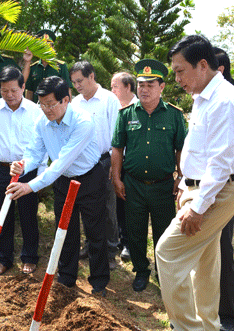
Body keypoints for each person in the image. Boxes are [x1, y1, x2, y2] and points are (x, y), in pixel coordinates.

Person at [156, 35, 234, 330]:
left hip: (213, 192)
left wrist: (202, 204)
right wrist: (186, 188)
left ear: (202, 65)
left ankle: (186, 327)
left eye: (180, 71)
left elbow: (221, 162)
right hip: (202, 189)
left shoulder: (225, 101)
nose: (177, 78)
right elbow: (201, 152)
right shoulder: (205, 97)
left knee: (166, 252)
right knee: (206, 265)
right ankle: (208, 325)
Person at [6, 76, 109, 296]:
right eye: (42, 104)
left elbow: (60, 163)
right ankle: (67, 277)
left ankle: (99, 281)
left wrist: (29, 187)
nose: (46, 110)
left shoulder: (83, 122)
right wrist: (23, 166)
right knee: (64, 230)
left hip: (89, 179)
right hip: (63, 182)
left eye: (51, 104)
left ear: (66, 100)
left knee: (95, 231)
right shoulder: (42, 121)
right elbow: (35, 153)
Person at [111, 59, 187, 292]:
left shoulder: (174, 115)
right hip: (133, 184)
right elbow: (117, 148)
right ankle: (141, 271)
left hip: (163, 185)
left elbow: (181, 149)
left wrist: (181, 177)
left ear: (161, 87)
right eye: (141, 85)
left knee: (165, 232)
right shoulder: (126, 114)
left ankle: (163, 273)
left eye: (150, 85)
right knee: (135, 230)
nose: (144, 89)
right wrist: (116, 178)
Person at [0, 66, 42, 275]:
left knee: (28, 214)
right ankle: (4, 258)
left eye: (14, 90)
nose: (10, 95)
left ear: (23, 87)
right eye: (5, 91)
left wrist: (41, 172)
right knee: (2, 215)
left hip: (27, 170)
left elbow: (41, 144)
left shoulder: (34, 111)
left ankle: (30, 256)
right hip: (0, 169)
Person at [70, 61, 121, 270]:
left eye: (80, 81)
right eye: (73, 82)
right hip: (82, 162)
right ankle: (89, 245)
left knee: (108, 207)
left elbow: (117, 135)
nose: (77, 86)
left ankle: (110, 251)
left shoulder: (109, 99)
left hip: (104, 160)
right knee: (86, 206)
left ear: (91, 76)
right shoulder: (75, 103)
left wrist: (114, 164)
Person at [213, 46, 234, 331]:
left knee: (222, 250)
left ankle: (230, 316)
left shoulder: (229, 100)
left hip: (223, 189)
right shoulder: (210, 98)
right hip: (208, 189)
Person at [110, 71, 139, 262]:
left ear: (128, 87)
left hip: (133, 168)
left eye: (115, 86)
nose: (111, 90)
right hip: (116, 164)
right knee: (117, 206)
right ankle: (120, 239)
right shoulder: (114, 108)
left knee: (131, 208)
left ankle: (130, 243)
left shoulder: (139, 108)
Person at [24, 30, 72, 104]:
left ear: (53, 48)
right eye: (43, 46)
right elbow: (29, 92)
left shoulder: (61, 66)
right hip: (37, 110)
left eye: (49, 46)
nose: (46, 49)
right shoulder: (33, 68)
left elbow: (67, 90)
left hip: (56, 109)